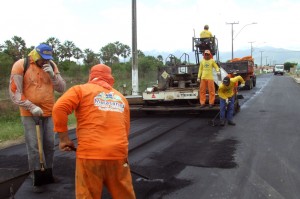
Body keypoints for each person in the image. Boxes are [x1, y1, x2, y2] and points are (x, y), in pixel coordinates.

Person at [52, 64, 136, 199]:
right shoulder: (121, 98)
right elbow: (125, 129)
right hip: (118, 154)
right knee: (124, 195)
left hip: (90, 154)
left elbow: (59, 108)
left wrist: (64, 139)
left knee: (88, 195)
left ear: (91, 76)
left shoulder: (80, 90)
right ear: (110, 78)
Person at [9, 43, 66, 192]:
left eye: (48, 58)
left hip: (48, 112)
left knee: (48, 144)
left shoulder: (52, 65)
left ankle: (48, 172)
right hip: (29, 113)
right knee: (34, 146)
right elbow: (14, 93)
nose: (45, 61)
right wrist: (31, 107)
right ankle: (36, 176)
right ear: (35, 54)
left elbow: (61, 89)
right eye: (43, 58)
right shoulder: (21, 65)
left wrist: (53, 77)